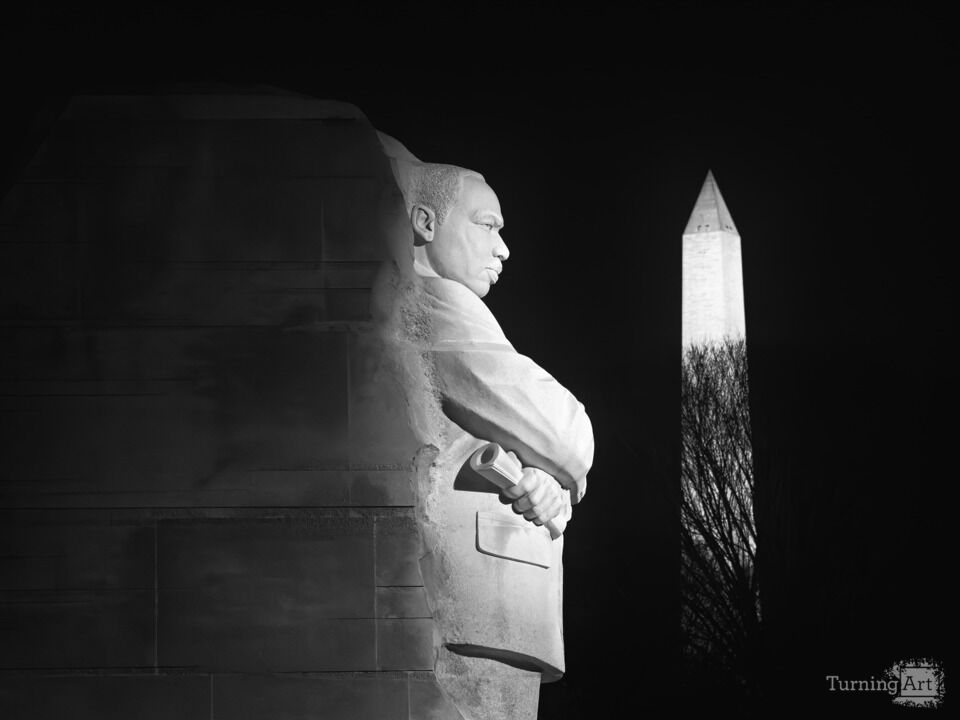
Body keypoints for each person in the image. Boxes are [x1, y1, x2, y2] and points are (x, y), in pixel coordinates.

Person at [384, 157, 594, 720]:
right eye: (487, 225)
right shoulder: (434, 303)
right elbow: (565, 429)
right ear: (425, 223)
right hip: (478, 595)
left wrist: (548, 480)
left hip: (497, 601)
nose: (503, 248)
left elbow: (532, 445)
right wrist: (558, 462)